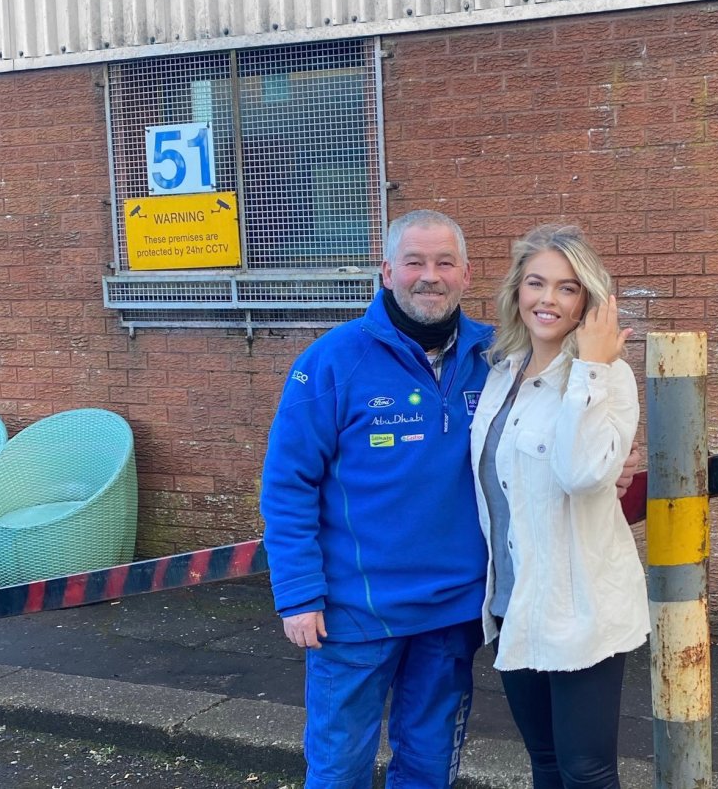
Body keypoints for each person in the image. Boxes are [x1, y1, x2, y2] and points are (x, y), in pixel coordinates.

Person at [259, 209, 491, 789]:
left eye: (444, 263)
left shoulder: (499, 356)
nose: (429, 276)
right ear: (386, 271)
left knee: (429, 769)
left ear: (467, 274)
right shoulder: (332, 361)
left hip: (453, 610)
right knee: (339, 770)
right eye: (414, 262)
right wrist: (297, 595)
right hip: (353, 614)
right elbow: (288, 485)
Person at [470, 224, 649, 789]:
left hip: (578, 606)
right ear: (516, 292)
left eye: (567, 288)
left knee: (587, 772)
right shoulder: (501, 373)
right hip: (512, 599)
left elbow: (580, 474)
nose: (547, 299)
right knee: (544, 764)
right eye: (536, 283)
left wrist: (592, 368)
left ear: (587, 302)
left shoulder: (608, 378)